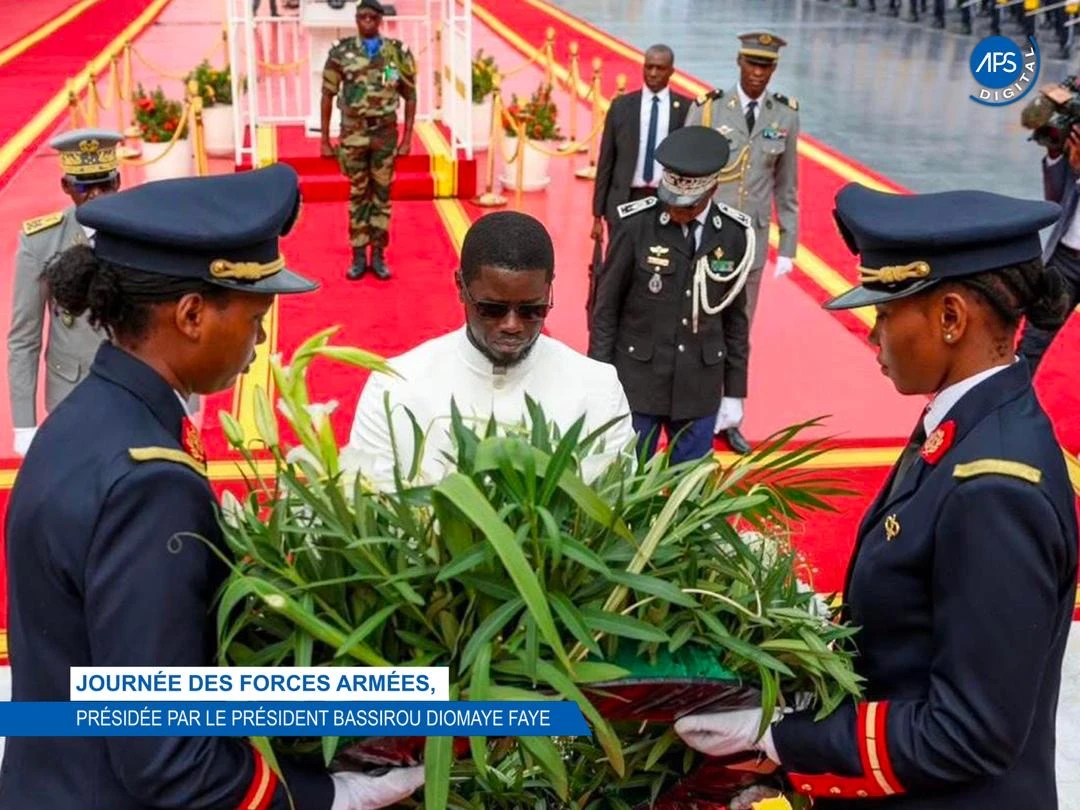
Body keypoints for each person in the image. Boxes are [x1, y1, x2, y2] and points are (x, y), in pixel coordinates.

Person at [0, 164, 424, 810]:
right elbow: (167, 757)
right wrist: (327, 795)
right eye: (255, 319)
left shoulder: (85, 422)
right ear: (193, 314)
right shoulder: (150, 484)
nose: (257, 345)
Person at [672, 184, 1079, 810]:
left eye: (887, 315)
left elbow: (968, 733)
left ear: (950, 318)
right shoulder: (964, 425)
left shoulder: (995, 488)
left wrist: (780, 738)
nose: (873, 336)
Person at [347, 210, 635, 487]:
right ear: (460, 286)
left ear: (549, 289)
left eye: (531, 309)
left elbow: (617, 510)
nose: (512, 325)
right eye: (491, 309)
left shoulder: (598, 388)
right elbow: (368, 507)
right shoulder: (393, 387)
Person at [587, 126, 754, 464]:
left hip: (700, 388)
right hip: (639, 381)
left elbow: (735, 322)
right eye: (672, 200)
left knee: (687, 496)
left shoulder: (734, 235)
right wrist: (599, 378)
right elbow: (605, 310)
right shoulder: (636, 226)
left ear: (712, 190)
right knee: (627, 486)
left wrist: (735, 390)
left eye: (689, 206)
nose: (677, 210)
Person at [685, 31, 799, 455]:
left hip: (751, 240)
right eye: (752, 64)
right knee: (698, 322)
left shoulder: (784, 115)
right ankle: (692, 409)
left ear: (773, 70)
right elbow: (683, 171)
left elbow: (787, 186)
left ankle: (730, 416)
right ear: (738, 62)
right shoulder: (710, 109)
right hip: (708, 237)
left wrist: (788, 246)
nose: (757, 73)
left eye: (766, 66)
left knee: (739, 330)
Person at [7, 128, 123, 457]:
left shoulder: (144, 234)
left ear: (119, 181)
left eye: (106, 184)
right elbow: (24, 337)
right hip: (72, 391)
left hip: (134, 388)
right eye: (85, 186)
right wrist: (24, 425)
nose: (96, 195)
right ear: (67, 187)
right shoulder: (42, 241)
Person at [321, 0, 417, 281]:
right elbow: (327, 94)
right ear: (356, 19)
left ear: (380, 19)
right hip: (353, 134)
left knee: (383, 195)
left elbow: (409, 95)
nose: (367, 21)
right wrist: (325, 139)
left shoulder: (395, 54)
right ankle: (358, 255)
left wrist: (408, 136)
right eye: (362, 16)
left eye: (372, 16)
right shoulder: (342, 53)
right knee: (358, 194)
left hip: (384, 134)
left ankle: (378, 254)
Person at [591, 44, 691, 239]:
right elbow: (606, 162)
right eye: (649, 67)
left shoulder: (685, 109)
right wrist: (597, 215)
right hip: (625, 200)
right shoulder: (621, 106)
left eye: (660, 68)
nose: (653, 73)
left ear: (671, 71)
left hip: (666, 201)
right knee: (620, 265)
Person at [1016, 120, 1080, 371]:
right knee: (1032, 343)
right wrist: (1056, 153)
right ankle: (1007, 405)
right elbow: (1055, 199)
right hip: (1063, 260)